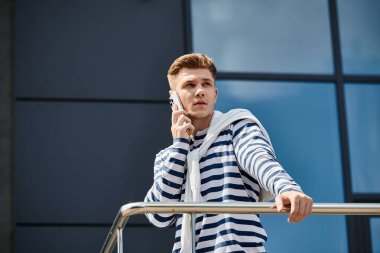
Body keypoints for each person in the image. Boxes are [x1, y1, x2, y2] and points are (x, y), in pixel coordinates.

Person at [145, 53, 313, 253]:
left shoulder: (237, 127)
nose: (199, 91)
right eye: (190, 85)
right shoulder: (167, 157)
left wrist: (286, 188)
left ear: (215, 94)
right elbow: (160, 216)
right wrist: (180, 145)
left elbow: (257, 157)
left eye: (206, 84)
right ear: (174, 99)